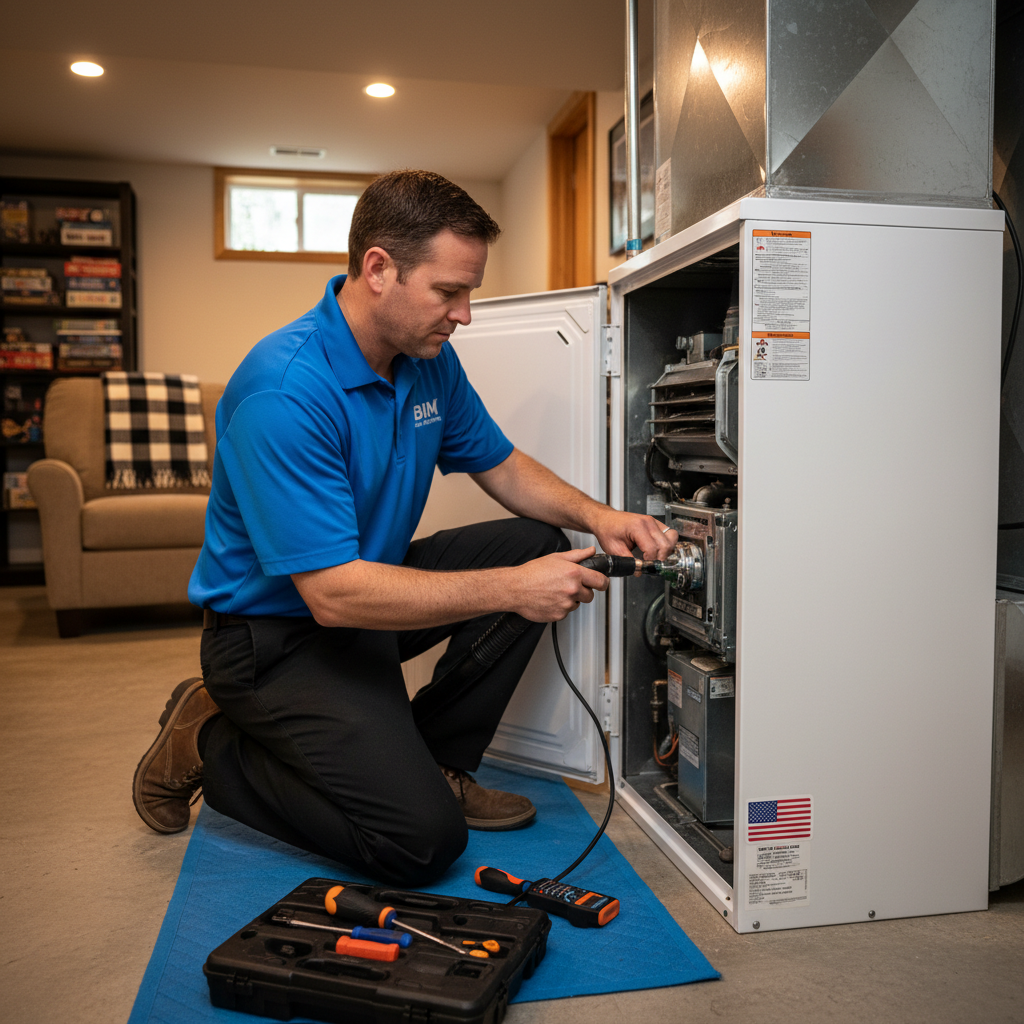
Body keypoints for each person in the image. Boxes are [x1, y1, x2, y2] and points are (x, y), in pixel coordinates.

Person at [132, 170, 677, 886]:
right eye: (448, 292)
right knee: (418, 843)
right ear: (378, 269)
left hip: (361, 602)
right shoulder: (284, 392)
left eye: (470, 292)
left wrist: (600, 517)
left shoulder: (426, 364)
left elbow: (503, 466)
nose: (465, 314)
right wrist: (511, 589)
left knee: (540, 543)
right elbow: (331, 595)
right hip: (273, 639)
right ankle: (208, 741)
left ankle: (438, 761)